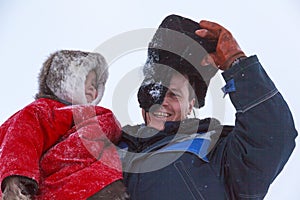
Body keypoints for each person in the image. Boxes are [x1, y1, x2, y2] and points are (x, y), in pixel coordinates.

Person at [119, 14, 298, 199]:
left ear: (190, 106)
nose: (163, 101)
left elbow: (272, 135)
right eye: (156, 90)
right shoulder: (111, 148)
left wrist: (235, 62)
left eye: (174, 94)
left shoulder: (216, 151)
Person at [0, 50, 128, 199]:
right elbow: (20, 140)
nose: (93, 88)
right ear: (67, 81)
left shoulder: (96, 116)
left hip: (102, 186)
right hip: (61, 187)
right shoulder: (45, 110)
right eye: (87, 81)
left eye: (96, 84)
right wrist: (15, 183)